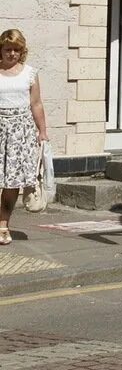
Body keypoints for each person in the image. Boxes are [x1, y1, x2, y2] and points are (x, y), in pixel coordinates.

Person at [0, 29, 48, 247]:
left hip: (21, 133)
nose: (12, 54)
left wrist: (42, 131)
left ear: (22, 51)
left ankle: (3, 226)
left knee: (11, 184)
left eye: (16, 50)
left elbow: (36, 104)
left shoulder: (29, 73)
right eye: (8, 49)